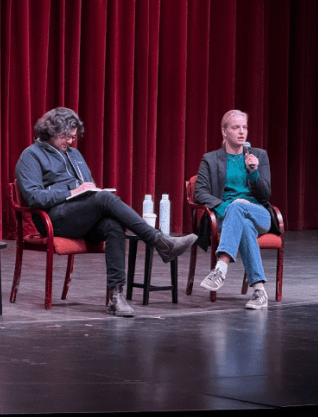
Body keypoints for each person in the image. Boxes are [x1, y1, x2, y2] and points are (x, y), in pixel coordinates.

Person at [15, 107, 197, 318]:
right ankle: (159, 242)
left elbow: (86, 187)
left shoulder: (74, 155)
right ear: (51, 131)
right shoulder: (30, 156)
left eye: (74, 137)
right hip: (54, 219)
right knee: (103, 199)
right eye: (67, 136)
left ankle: (116, 296)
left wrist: (87, 188)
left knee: (113, 223)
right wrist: (72, 191)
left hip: (79, 215)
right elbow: (34, 197)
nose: (71, 142)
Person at [194, 109, 280, 309]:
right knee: (243, 223)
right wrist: (227, 206)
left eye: (245, 127)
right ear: (224, 132)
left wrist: (253, 172)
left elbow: (265, 194)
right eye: (235, 127)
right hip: (227, 216)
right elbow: (200, 192)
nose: (242, 132)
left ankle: (221, 267)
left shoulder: (259, 156)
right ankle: (259, 290)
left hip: (259, 213)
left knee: (242, 208)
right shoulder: (211, 159)